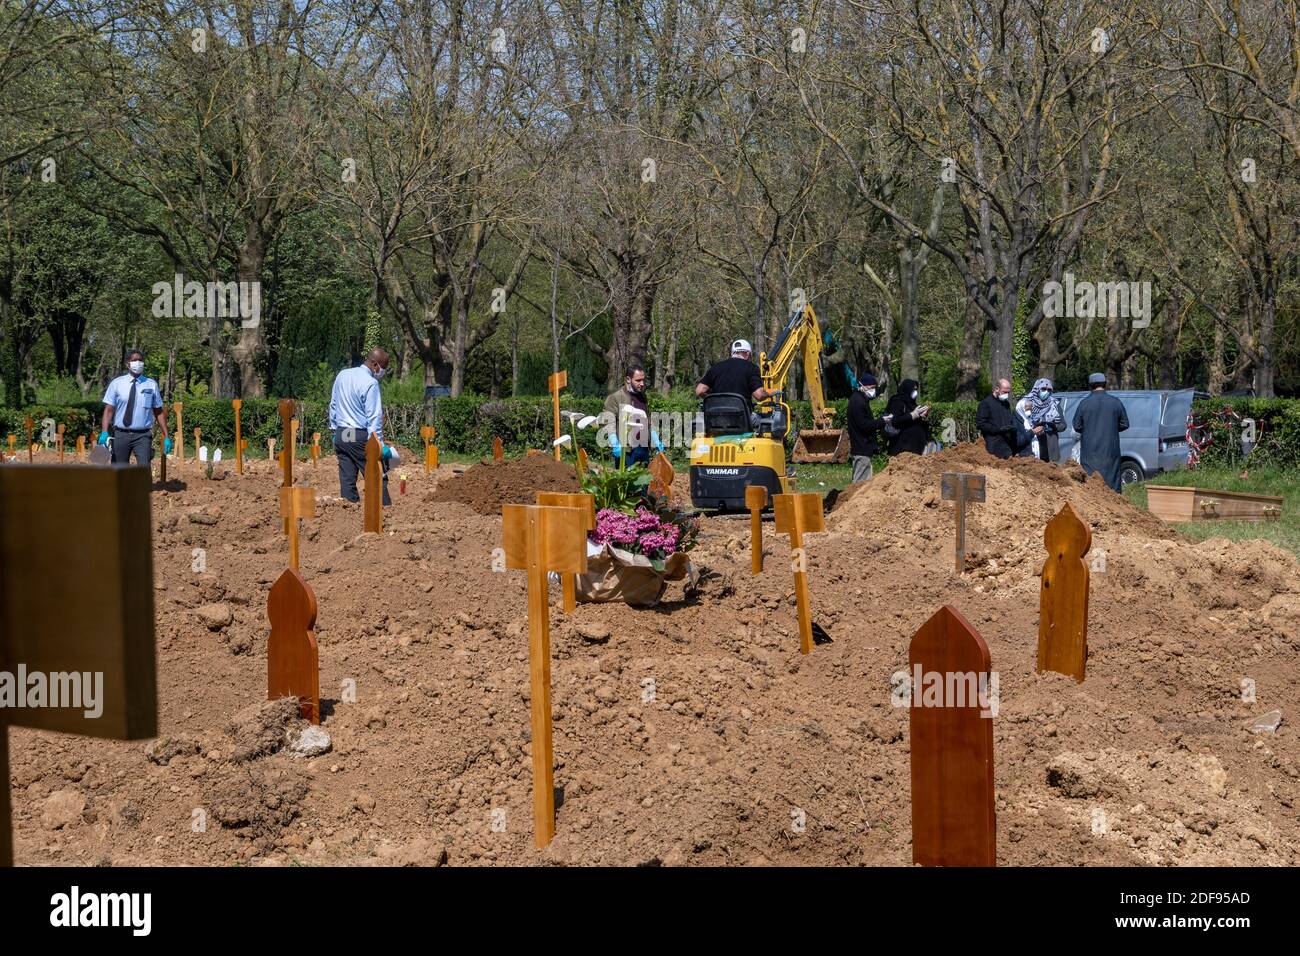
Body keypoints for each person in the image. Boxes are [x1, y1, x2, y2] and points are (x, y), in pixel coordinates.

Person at [329, 349, 396, 505]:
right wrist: (378, 444)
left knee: (347, 477)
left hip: (342, 434)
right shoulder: (370, 383)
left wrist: (334, 430)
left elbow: (333, 404)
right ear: (374, 364)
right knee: (376, 474)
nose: (382, 372)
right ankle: (383, 511)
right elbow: (374, 417)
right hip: (359, 435)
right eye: (382, 368)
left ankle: (349, 512)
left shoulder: (342, 375)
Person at [100, 349, 170, 467]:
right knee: (119, 471)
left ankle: (141, 486)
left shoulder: (151, 384)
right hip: (121, 434)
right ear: (127, 364)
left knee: (143, 470)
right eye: (134, 360)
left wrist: (166, 436)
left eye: (140, 360)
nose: (138, 363)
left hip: (142, 436)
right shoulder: (117, 384)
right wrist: (104, 432)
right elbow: (108, 410)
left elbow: (158, 412)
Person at [695, 339, 778, 422]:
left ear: (733, 353)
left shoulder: (715, 367)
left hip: (716, 419)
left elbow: (699, 391)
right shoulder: (751, 368)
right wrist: (769, 393)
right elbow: (759, 395)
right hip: (742, 420)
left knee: (698, 420)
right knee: (774, 418)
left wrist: (713, 399)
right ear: (747, 354)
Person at [1072, 372, 1129, 491]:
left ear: (1090, 386)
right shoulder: (1115, 402)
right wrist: (1111, 428)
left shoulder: (1084, 404)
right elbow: (1125, 424)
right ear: (1105, 384)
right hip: (1110, 451)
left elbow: (1077, 426)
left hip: (1089, 453)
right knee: (1112, 484)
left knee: (1091, 486)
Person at [603, 364, 661, 466]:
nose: (642, 383)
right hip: (626, 451)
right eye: (638, 380)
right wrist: (614, 442)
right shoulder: (615, 398)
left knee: (643, 481)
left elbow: (647, 420)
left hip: (643, 448)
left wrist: (655, 438)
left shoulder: (642, 396)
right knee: (625, 481)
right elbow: (609, 422)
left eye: (643, 380)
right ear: (628, 379)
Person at [846, 374, 892, 482]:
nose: (873, 391)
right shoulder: (859, 402)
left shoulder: (858, 399)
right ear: (863, 386)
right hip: (861, 447)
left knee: (863, 480)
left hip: (861, 447)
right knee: (860, 483)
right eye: (871, 388)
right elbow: (865, 426)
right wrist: (883, 421)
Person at [976, 378, 1022, 459]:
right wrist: (998, 429)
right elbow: (981, 424)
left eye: (1008, 392)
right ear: (996, 389)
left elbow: (1008, 420)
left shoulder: (1006, 403)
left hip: (1007, 444)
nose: (1006, 394)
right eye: (1004, 392)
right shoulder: (986, 403)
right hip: (993, 445)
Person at [884, 378, 931, 455]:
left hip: (916, 447)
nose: (915, 392)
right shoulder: (897, 401)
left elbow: (916, 423)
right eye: (913, 389)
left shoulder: (912, 403)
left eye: (916, 389)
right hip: (902, 447)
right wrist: (913, 415)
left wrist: (922, 416)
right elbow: (895, 421)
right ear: (907, 389)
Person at [1025, 378, 1065, 463]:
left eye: (1049, 390)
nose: (1046, 392)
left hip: (1050, 448)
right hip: (1034, 446)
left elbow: (1063, 425)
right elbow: (1024, 423)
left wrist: (1051, 425)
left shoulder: (1055, 404)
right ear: (1037, 389)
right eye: (1043, 389)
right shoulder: (1027, 403)